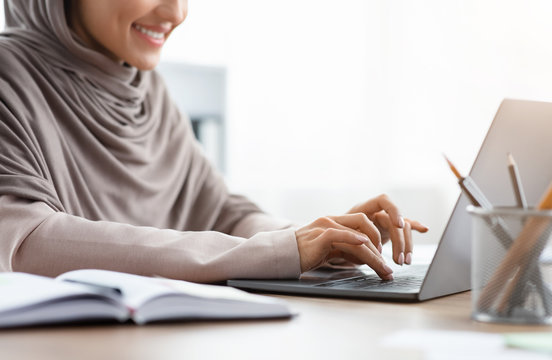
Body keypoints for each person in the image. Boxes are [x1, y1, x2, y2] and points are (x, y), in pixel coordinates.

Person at [0, 0, 428, 283]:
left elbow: (222, 212)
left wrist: (319, 240)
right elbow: (23, 243)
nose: (176, 11)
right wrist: (278, 251)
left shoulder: (147, 90)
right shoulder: (9, 75)